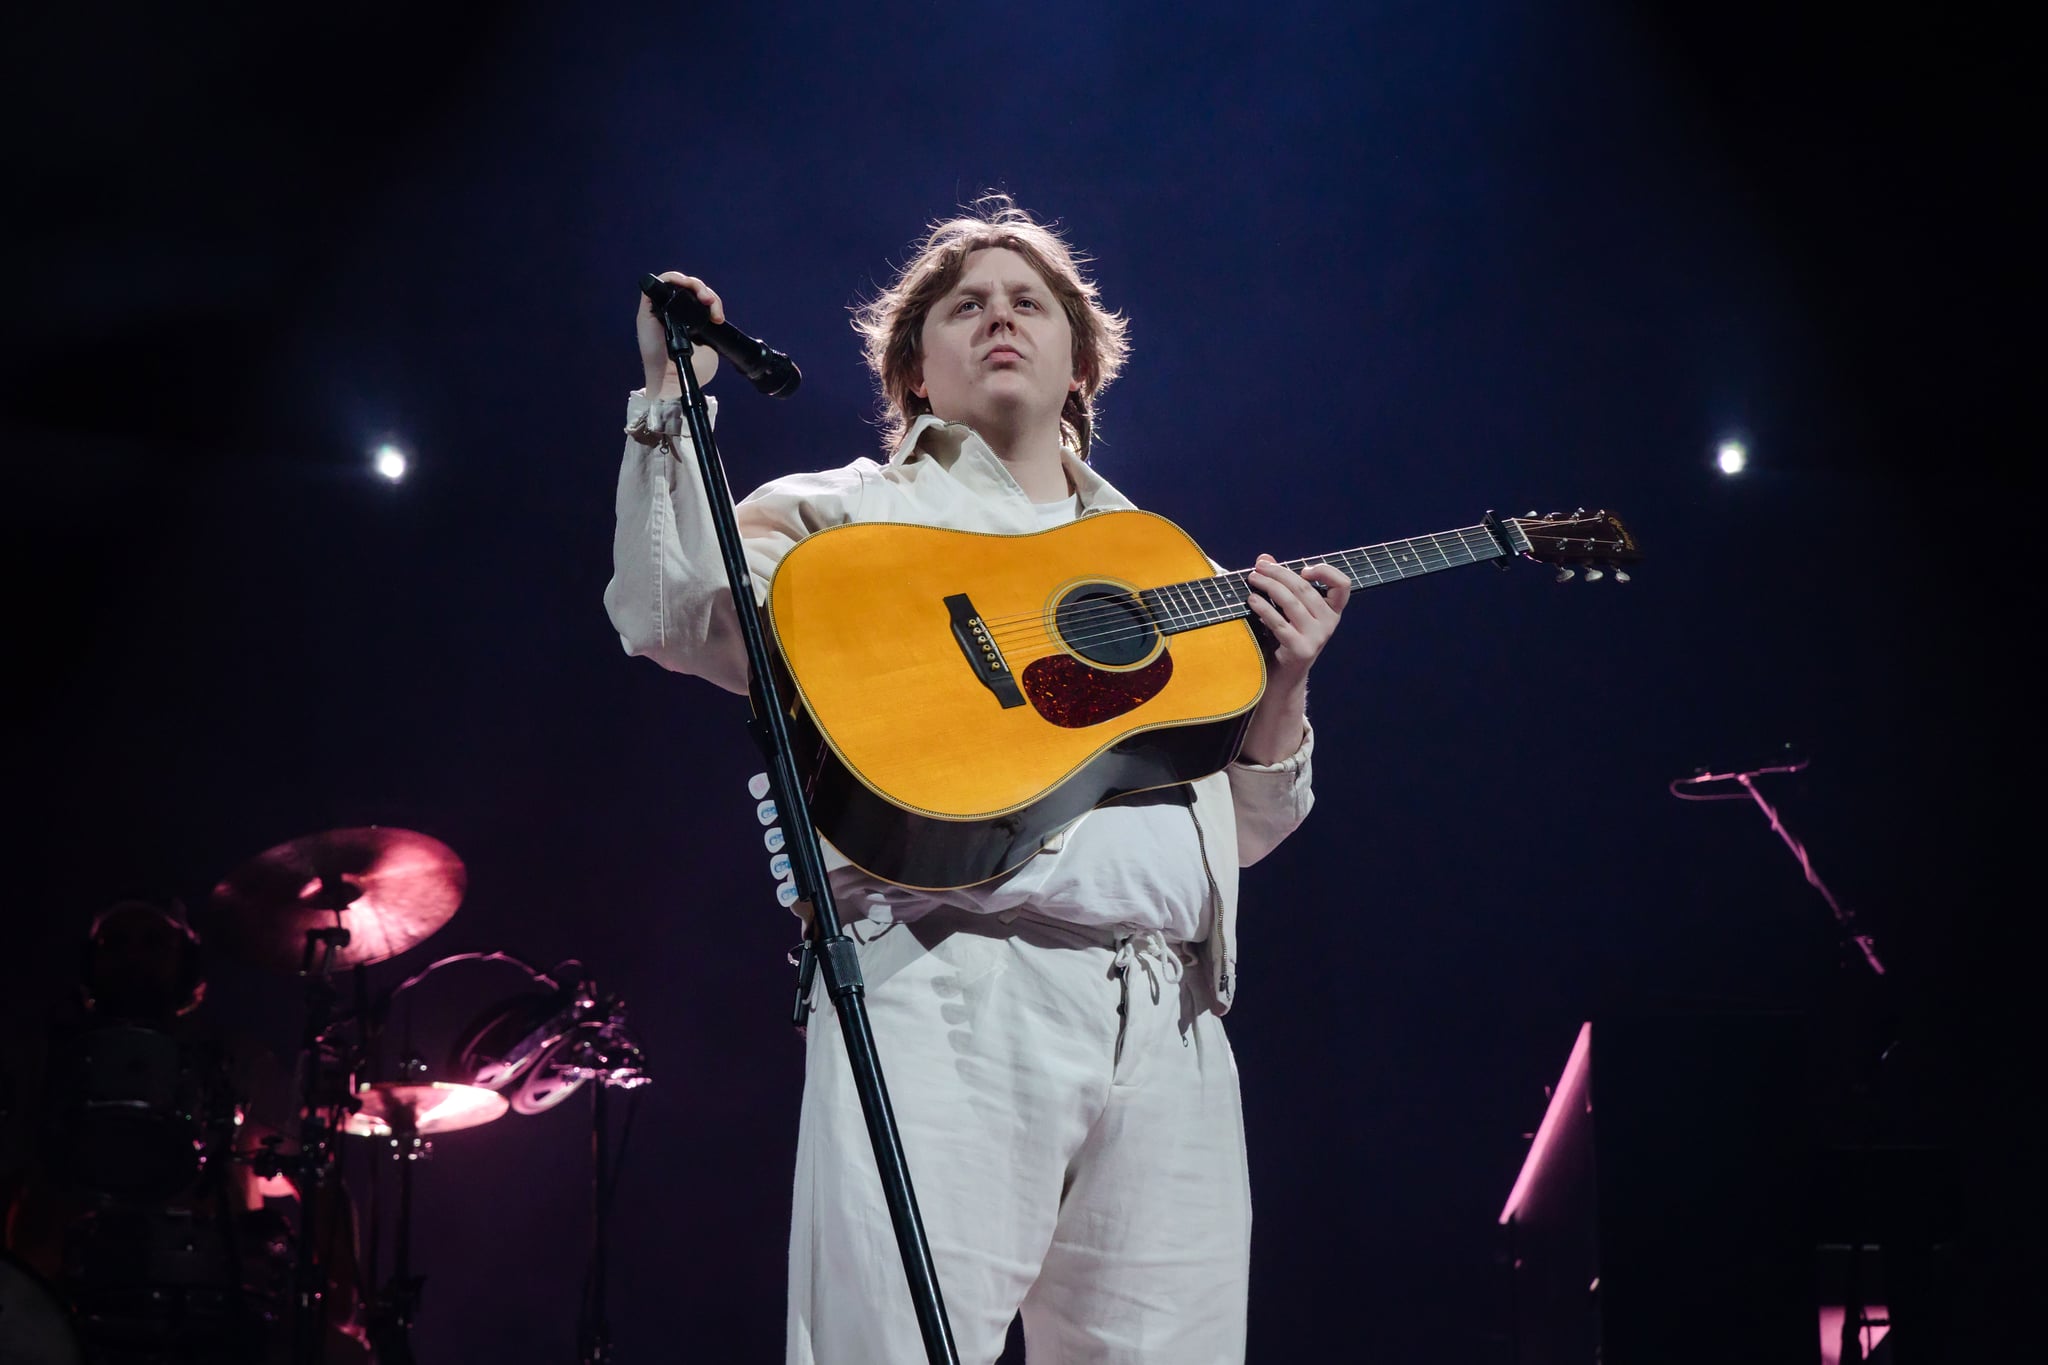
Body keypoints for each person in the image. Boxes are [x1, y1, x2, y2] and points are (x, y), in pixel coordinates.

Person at [605, 196, 1350, 1364]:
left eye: (1028, 303)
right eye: (965, 305)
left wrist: (1284, 689)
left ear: (1078, 361)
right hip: (946, 974)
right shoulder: (845, 519)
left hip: (1170, 1016)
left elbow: (1240, 836)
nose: (999, 318)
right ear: (912, 366)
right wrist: (671, 402)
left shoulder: (1167, 565)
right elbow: (668, 615)